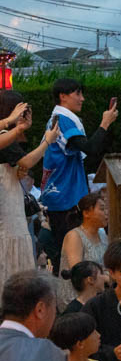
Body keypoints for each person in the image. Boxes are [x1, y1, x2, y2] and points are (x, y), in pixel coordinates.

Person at [40, 78, 119, 252]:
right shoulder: (63, 119)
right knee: (72, 253)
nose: (82, 98)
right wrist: (105, 123)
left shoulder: (58, 118)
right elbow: (91, 148)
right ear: (63, 96)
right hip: (65, 198)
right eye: (78, 93)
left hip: (61, 195)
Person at [0, 93, 59, 290]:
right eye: (19, 109)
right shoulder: (4, 137)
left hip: (11, 206)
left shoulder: (8, 136)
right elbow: (27, 161)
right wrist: (47, 141)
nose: (22, 114)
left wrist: (19, 127)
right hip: (7, 212)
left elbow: (21, 165)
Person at [59, 191, 109, 307]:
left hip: (97, 293)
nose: (107, 213)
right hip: (76, 298)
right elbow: (79, 271)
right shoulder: (74, 236)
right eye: (102, 209)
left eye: (107, 209)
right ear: (86, 213)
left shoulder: (102, 234)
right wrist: (106, 278)